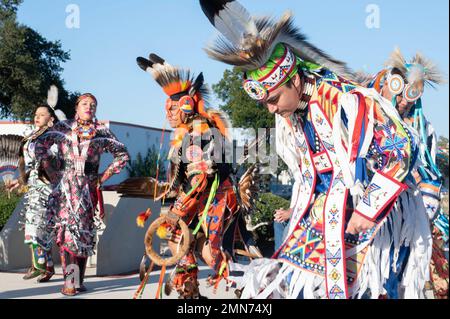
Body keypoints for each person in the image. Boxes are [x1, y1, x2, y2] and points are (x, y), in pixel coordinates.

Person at [200, 0, 431, 299]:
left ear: (294, 80)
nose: (271, 109)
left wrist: (368, 208)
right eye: (264, 103)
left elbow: (401, 149)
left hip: (369, 221)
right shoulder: (293, 115)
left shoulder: (348, 100)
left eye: (273, 98)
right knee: (285, 286)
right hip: (320, 218)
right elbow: (311, 174)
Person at [135, 53, 261, 299]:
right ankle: (190, 293)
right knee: (177, 238)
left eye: (173, 108)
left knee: (211, 251)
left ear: (188, 106)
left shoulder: (198, 134)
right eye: (167, 109)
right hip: (204, 200)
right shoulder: (188, 133)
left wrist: (175, 212)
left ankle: (251, 290)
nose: (169, 114)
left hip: (216, 200)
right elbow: (186, 182)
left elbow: (199, 181)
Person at [367, 48, 448, 299]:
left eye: (411, 97)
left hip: (409, 215)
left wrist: (422, 214)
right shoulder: (368, 119)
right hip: (370, 214)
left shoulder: (423, 130)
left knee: (401, 277)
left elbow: (430, 174)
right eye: (400, 95)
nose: (404, 102)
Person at [35, 93, 130, 296]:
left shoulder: (101, 132)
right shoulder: (63, 127)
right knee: (68, 232)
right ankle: (70, 281)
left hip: (88, 188)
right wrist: (50, 169)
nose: (89, 107)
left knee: (84, 233)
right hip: (65, 188)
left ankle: (78, 281)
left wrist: (103, 177)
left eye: (93, 104)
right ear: (76, 107)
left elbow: (122, 155)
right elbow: (40, 144)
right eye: (85, 104)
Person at [7, 86, 66, 283]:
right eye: (35, 114)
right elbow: (31, 165)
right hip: (34, 188)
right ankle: (45, 266)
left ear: (51, 119)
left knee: (39, 227)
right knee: (33, 227)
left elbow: (55, 162)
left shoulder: (54, 137)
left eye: (42, 114)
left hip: (49, 187)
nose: (37, 117)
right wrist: (19, 180)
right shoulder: (32, 137)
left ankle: (41, 265)